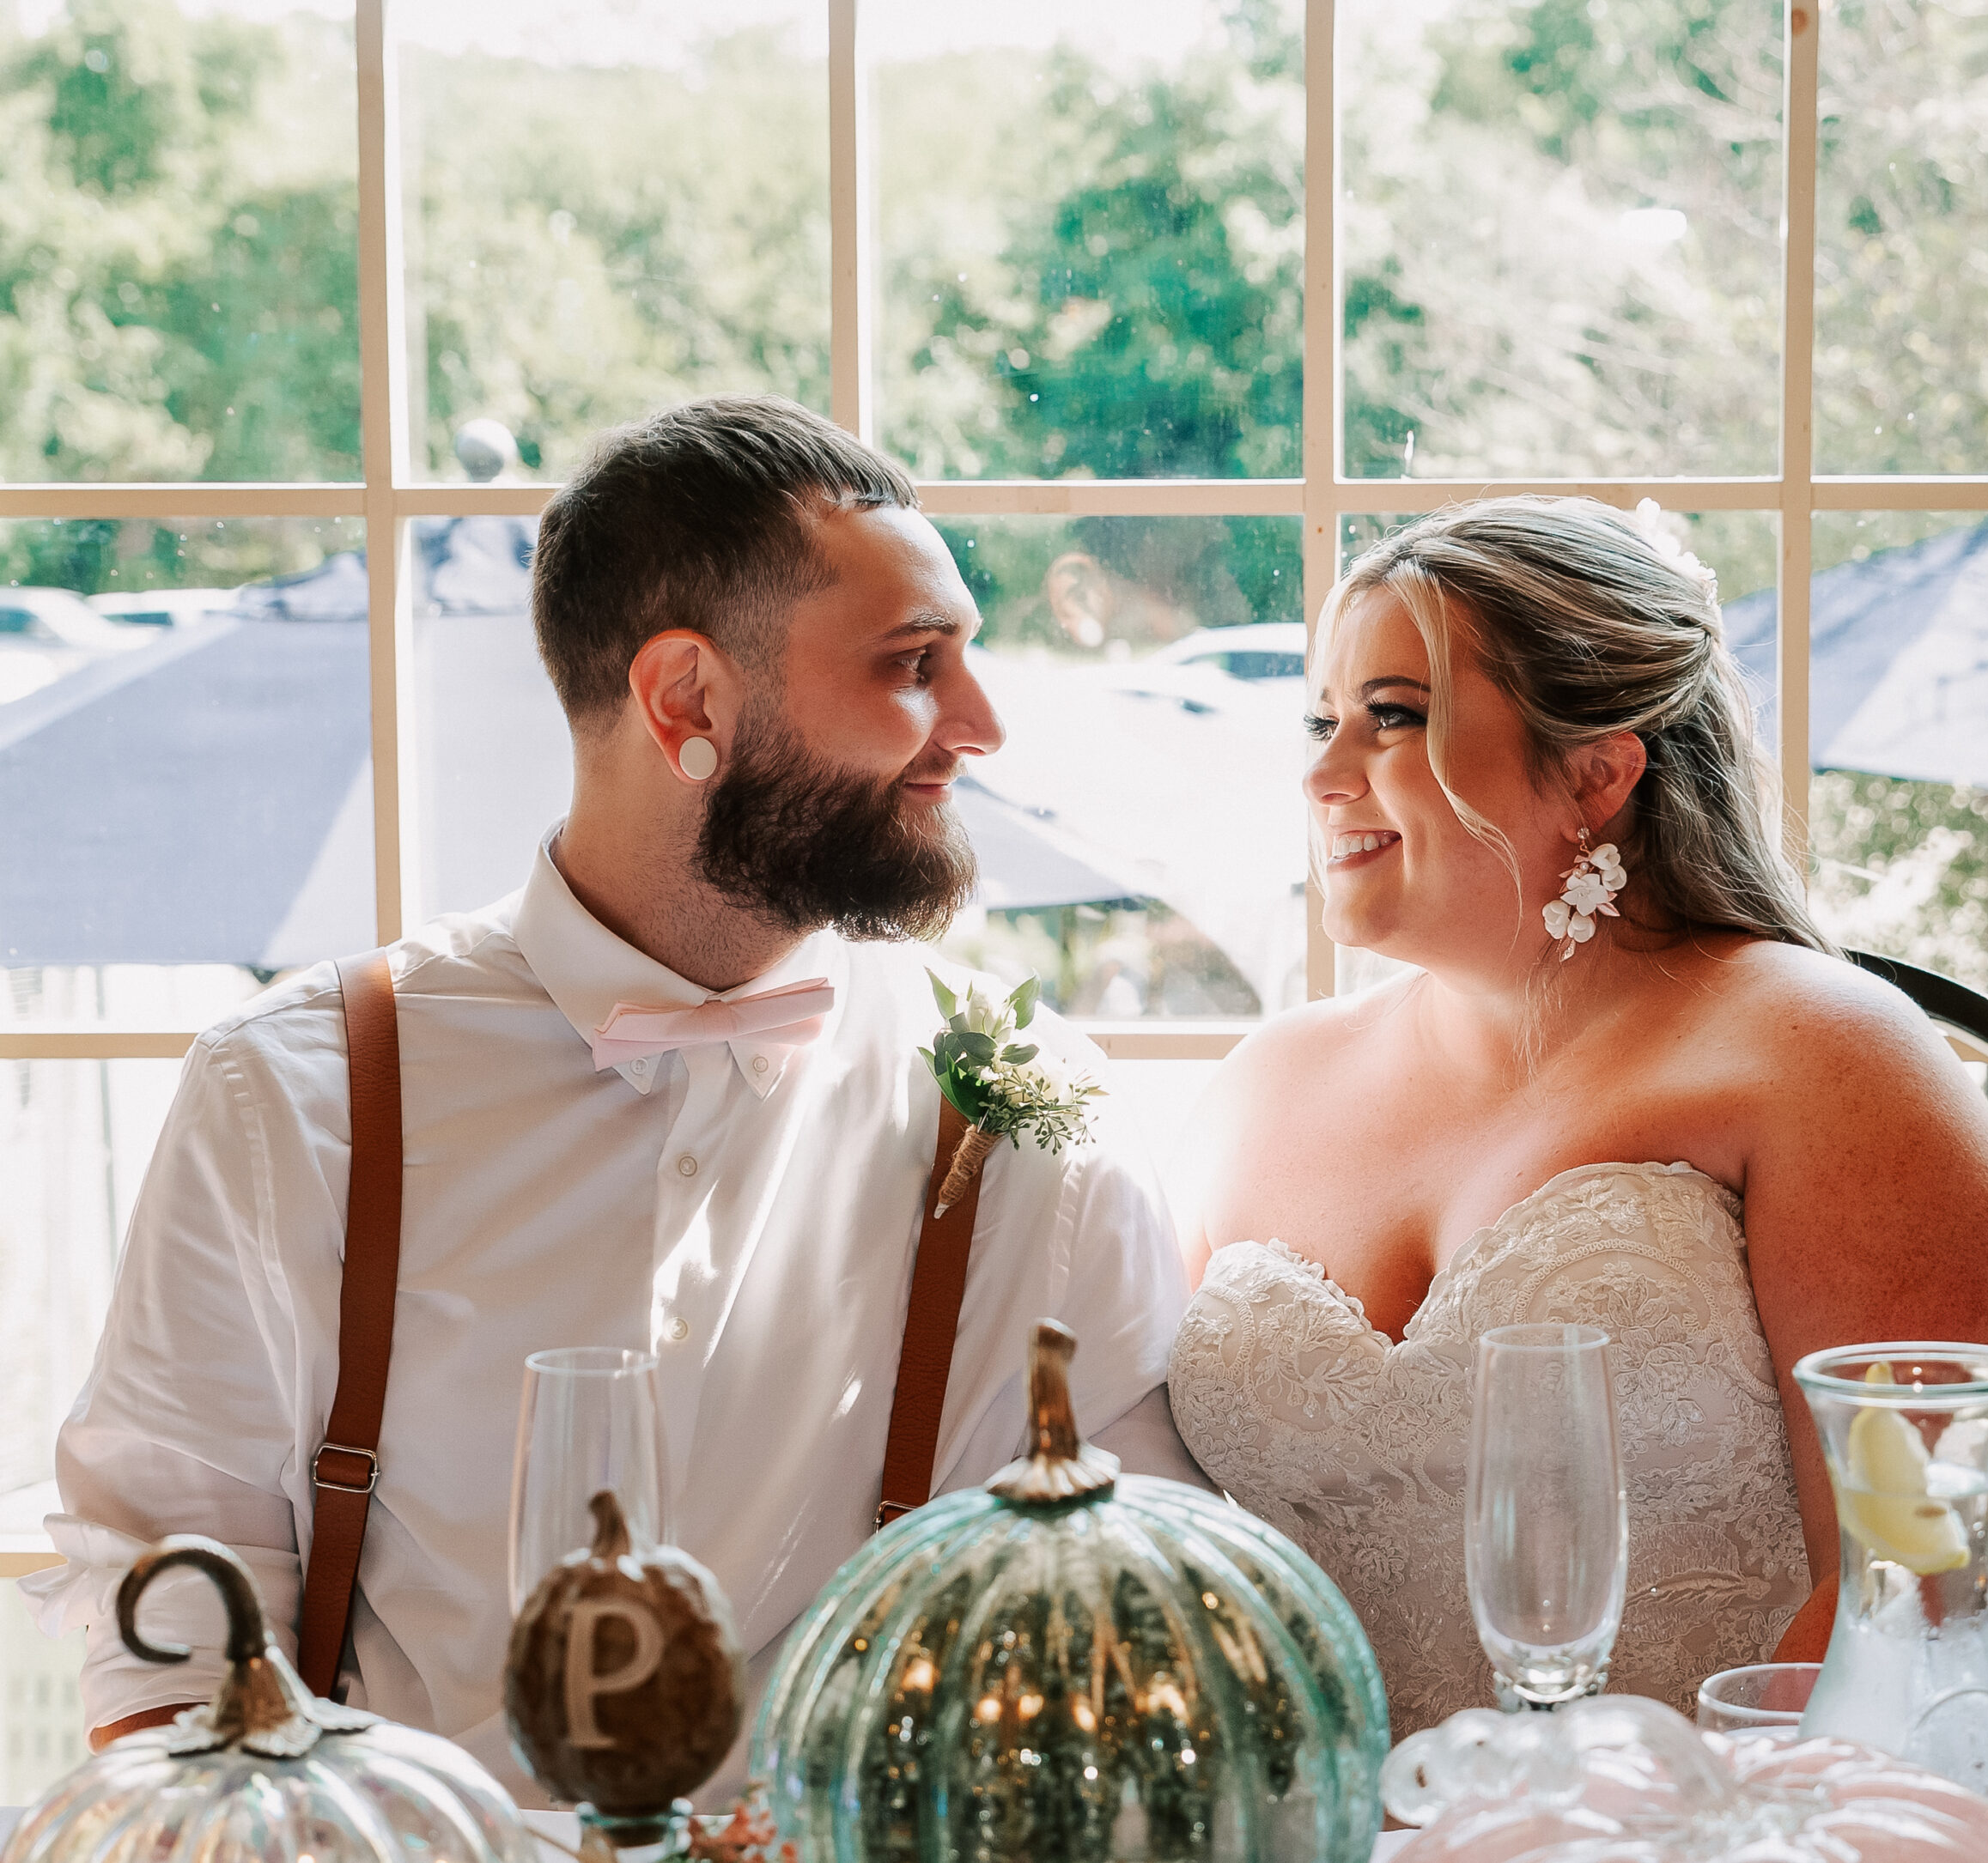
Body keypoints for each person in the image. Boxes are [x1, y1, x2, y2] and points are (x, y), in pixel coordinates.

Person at [27, 395, 1203, 1796]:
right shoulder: (295, 1094)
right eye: (914, 664)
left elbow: (1142, 1602)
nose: (982, 722)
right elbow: (168, 1623)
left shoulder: (1022, 1112)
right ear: (686, 699)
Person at [1164, 496, 1988, 1737]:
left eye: (1393, 716)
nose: (1319, 772)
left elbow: (1903, 1577)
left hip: (1745, 1808)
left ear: (1598, 772)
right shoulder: (1258, 1089)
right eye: (1321, 719)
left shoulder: (1828, 1058)